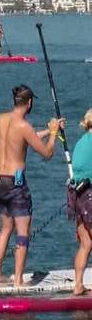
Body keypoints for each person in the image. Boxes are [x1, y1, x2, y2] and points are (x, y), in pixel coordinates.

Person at [0, 84, 61, 287]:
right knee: (22, 232)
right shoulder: (24, 126)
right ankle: (18, 279)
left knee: (5, 228)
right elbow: (47, 154)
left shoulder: (0, 119)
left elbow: (20, 139)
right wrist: (54, 134)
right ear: (29, 103)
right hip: (14, 184)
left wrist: (48, 130)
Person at [67, 108, 92, 294]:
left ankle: (78, 285)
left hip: (75, 194)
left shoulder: (81, 142)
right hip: (88, 195)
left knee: (85, 243)